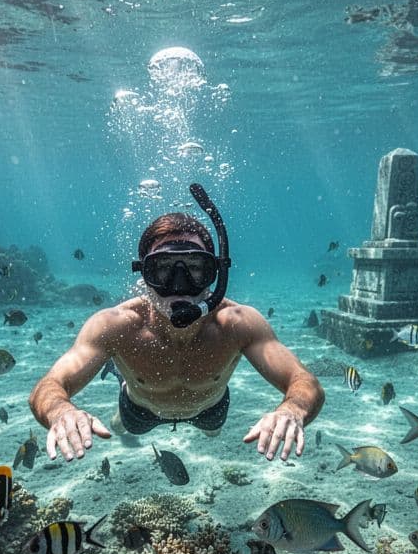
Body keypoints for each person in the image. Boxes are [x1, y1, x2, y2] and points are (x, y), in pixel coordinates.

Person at [29, 184, 324, 463]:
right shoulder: (116, 326)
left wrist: (292, 410)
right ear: (144, 274)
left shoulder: (237, 324)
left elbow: (304, 381)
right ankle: (122, 397)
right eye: (162, 269)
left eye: (195, 268)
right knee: (121, 426)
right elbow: (49, 386)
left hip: (210, 408)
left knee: (213, 432)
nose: (179, 285)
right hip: (140, 410)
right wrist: (60, 411)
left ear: (214, 273)